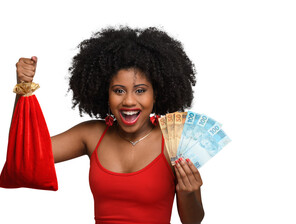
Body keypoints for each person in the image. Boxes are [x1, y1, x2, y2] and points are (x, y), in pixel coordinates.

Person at [15, 26, 204, 224]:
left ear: (156, 94)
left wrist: (189, 193)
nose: (129, 101)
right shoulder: (91, 135)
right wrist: (23, 89)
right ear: (105, 93)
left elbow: (192, 221)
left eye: (140, 91)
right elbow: (22, 155)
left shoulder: (175, 141)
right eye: (119, 91)